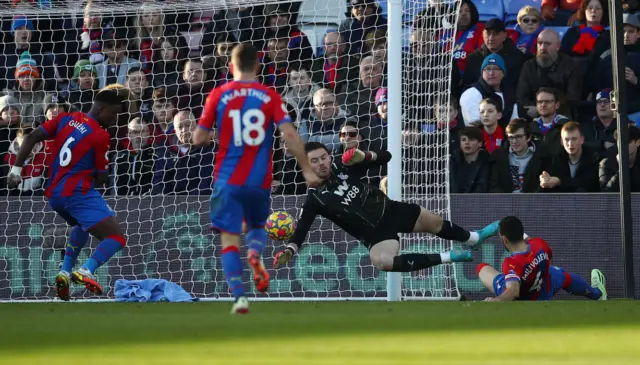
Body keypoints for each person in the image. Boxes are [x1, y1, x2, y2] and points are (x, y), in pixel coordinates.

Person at [193, 43, 320, 315]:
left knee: (229, 238)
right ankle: (255, 253)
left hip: (227, 179)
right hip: (259, 178)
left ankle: (239, 296)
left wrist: (219, 134)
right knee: (257, 227)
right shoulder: (269, 96)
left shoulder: (218, 94)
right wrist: (307, 169)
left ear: (231, 66)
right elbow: (290, 134)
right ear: (258, 67)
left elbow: (198, 139)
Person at [273, 141, 501, 275]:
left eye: (324, 157)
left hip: (391, 210)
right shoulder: (314, 199)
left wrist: (363, 155)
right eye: (314, 161)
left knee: (435, 223)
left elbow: (387, 156)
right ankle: (449, 256)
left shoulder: (345, 166)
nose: (321, 163)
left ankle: (473, 238)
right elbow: (302, 228)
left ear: (329, 156)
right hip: (375, 235)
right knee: (382, 261)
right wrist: (290, 251)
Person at [6, 86, 130, 301]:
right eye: (113, 113)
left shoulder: (66, 119)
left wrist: (16, 169)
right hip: (78, 192)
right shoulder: (100, 135)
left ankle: (64, 273)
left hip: (55, 195)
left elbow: (32, 136)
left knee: (82, 225)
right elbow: (101, 177)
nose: (115, 118)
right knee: (116, 236)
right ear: (101, 109)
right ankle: (86, 271)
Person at [475, 216, 607, 301]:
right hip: (546, 287)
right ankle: (597, 294)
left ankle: (506, 281)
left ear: (504, 240)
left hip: (526, 298)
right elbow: (545, 253)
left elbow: (514, 291)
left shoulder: (511, 263)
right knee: (560, 274)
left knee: (482, 268)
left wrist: (496, 300)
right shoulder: (539, 244)